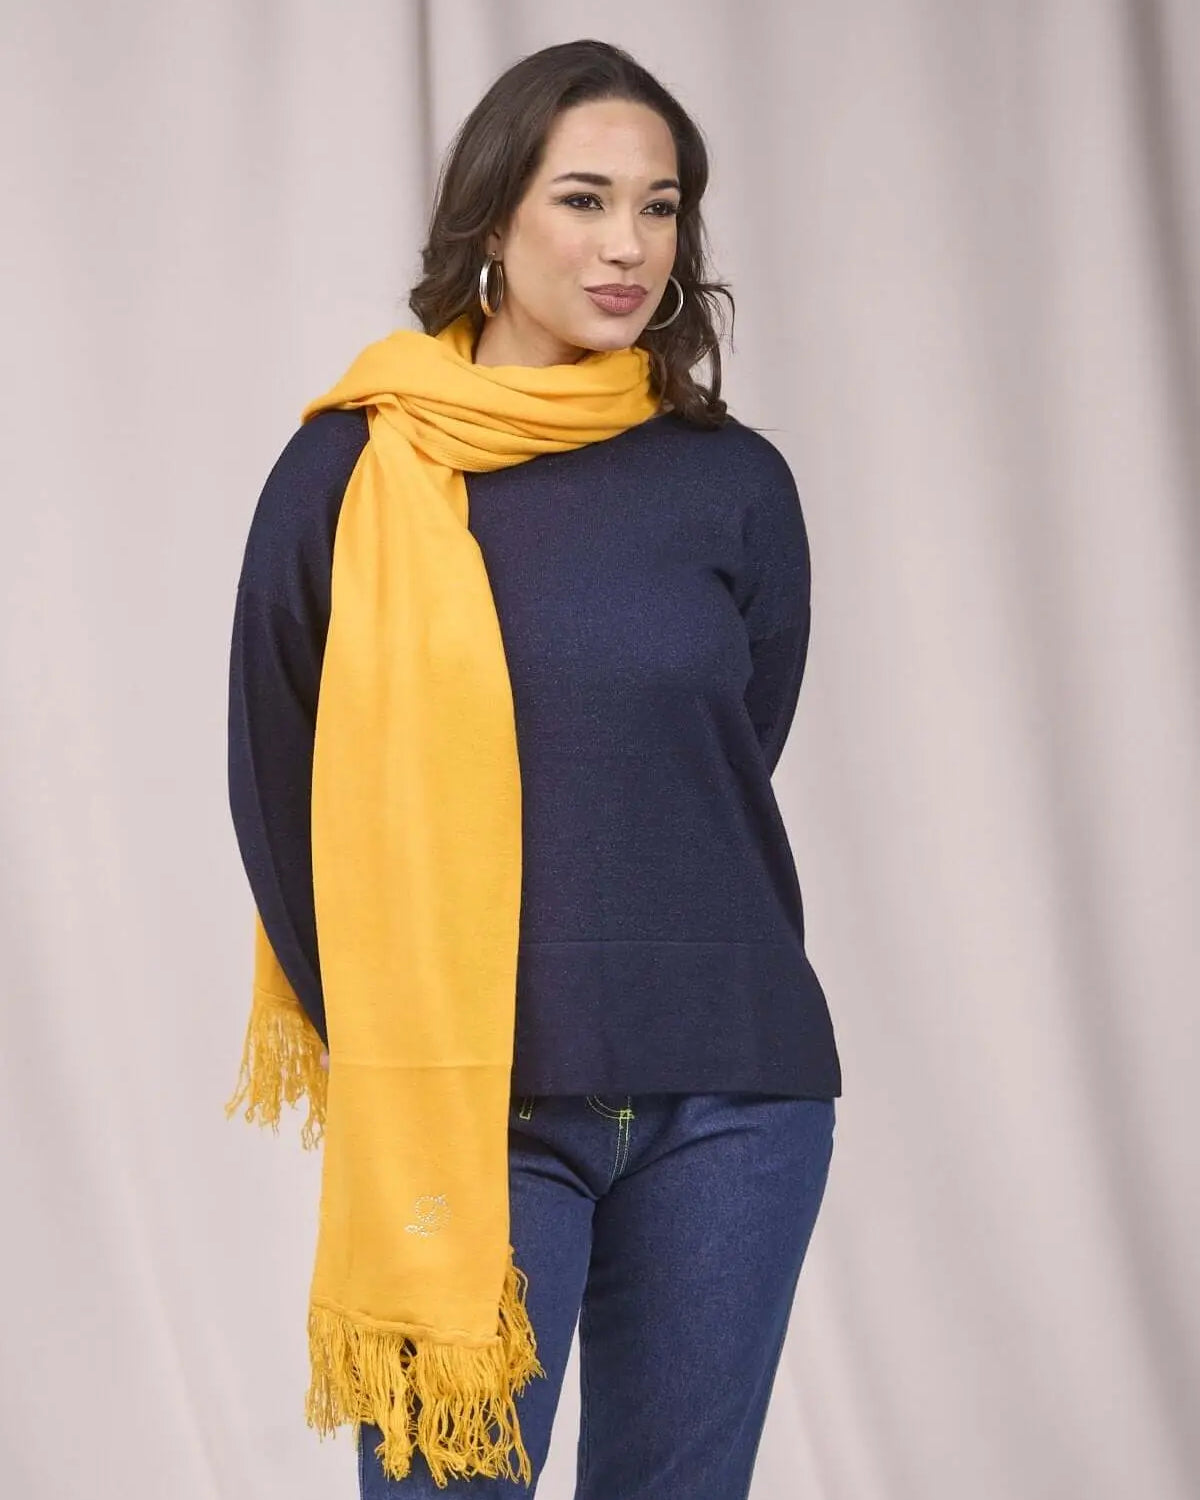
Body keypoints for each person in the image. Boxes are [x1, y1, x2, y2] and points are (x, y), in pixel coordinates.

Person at [227, 37, 841, 1500]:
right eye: (584, 199)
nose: (629, 244)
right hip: (473, 1104)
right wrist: (399, 1039)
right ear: (494, 217)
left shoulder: (732, 482)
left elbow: (727, 749)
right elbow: (276, 783)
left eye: (660, 206)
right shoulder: (353, 471)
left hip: (733, 1095)